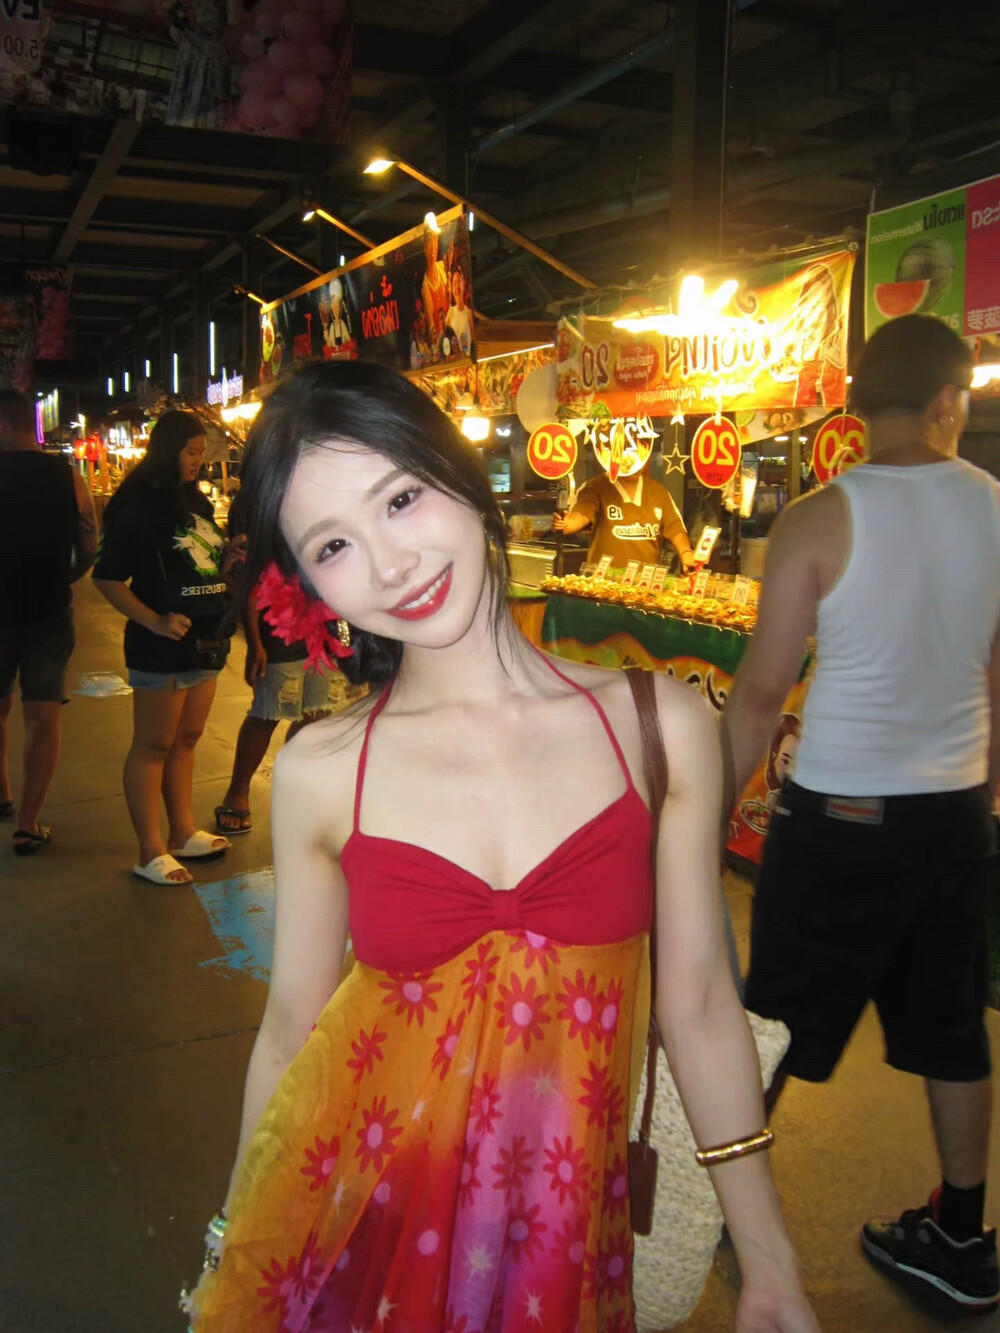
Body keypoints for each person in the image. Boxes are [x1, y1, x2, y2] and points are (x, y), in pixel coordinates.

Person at [186, 360, 818, 1332]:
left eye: (401, 497)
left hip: (565, 1240)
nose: (391, 563)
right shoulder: (324, 770)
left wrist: (769, 1263)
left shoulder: (656, 727)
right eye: (334, 544)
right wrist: (238, 1246)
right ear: (307, 584)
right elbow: (291, 1036)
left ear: (460, 474)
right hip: (371, 1236)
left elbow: (695, 1002)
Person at [722, 315, 1000, 1311]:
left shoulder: (817, 518)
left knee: (766, 1021)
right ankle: (960, 1236)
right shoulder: (995, 508)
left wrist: (706, 818)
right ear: (948, 401)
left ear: (860, 405)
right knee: (953, 1026)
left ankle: (723, 1205)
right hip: (954, 815)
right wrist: (983, 795)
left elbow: (762, 692)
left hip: (838, 816)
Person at [92, 411, 231, 886]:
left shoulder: (195, 498)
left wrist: (228, 559)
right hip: (159, 645)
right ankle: (149, 849)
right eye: (191, 452)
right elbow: (108, 577)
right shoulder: (135, 501)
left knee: (187, 739)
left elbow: (203, 563)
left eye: (201, 452)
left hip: (205, 638)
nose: (198, 461)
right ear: (168, 450)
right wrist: (153, 620)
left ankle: (182, 832)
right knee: (153, 745)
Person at [0, 389, 97, 854]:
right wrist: (65, 575)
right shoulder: (67, 476)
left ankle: (2, 792)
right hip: (48, 610)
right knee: (43, 717)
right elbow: (89, 544)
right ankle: (27, 824)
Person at [214, 487, 335, 837]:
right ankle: (237, 794)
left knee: (315, 713)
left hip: (318, 623)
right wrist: (255, 644)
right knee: (267, 713)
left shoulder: (310, 504)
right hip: (277, 629)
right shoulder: (257, 508)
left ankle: (295, 787)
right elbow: (250, 586)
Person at [552, 461, 699, 572]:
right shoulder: (595, 486)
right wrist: (567, 524)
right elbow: (582, 513)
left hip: (646, 584)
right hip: (603, 584)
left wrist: (685, 552)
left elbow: (675, 528)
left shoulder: (658, 491)